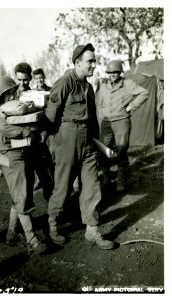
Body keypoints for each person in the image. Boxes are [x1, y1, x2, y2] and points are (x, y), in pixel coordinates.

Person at [43, 44, 114, 250]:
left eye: (94, 60)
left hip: (88, 139)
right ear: (77, 63)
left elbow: (92, 117)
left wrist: (95, 140)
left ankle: (92, 230)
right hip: (67, 136)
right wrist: (54, 141)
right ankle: (53, 225)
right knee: (63, 185)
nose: (94, 65)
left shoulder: (89, 87)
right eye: (90, 61)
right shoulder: (65, 82)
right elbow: (51, 115)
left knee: (92, 185)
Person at [0, 76, 54, 254]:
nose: (12, 96)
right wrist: (27, 131)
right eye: (8, 93)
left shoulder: (16, 108)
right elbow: (6, 129)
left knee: (20, 193)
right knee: (22, 195)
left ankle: (11, 233)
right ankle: (31, 238)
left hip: (26, 152)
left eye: (13, 92)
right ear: (0, 96)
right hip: (10, 156)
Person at [96, 60, 149, 191]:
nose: (113, 75)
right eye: (110, 72)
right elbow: (99, 104)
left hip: (121, 121)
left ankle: (121, 179)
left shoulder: (127, 84)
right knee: (103, 150)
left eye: (115, 72)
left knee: (121, 150)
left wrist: (131, 106)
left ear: (120, 72)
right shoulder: (103, 86)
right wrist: (102, 118)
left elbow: (144, 93)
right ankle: (106, 179)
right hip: (106, 123)